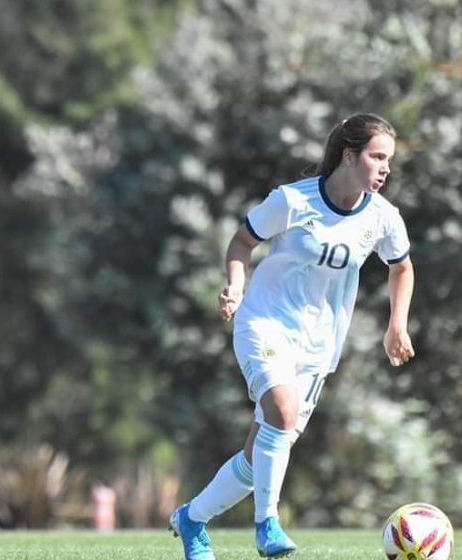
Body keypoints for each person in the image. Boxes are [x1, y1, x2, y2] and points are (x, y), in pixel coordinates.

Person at [168, 113, 415, 560]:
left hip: (317, 347)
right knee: (280, 413)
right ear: (349, 155)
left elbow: (401, 267)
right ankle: (268, 524)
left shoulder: (382, 218)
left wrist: (397, 324)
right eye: (377, 157)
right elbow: (241, 242)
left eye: (389, 161)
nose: (385, 168)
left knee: (257, 457)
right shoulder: (292, 201)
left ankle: (192, 519)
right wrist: (236, 287)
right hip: (263, 322)